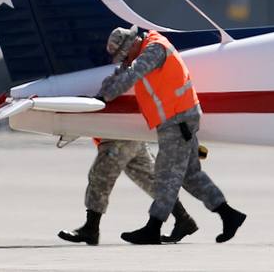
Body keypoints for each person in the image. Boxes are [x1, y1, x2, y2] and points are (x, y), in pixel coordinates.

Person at [97, 25, 247, 244]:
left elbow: (131, 75)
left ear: (131, 44)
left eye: (124, 55)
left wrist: (105, 96)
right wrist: (102, 94)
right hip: (180, 117)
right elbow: (122, 73)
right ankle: (229, 215)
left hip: (177, 119)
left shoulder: (154, 49)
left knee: (166, 175)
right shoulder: (142, 50)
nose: (125, 60)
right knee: (190, 175)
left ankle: (153, 228)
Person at [58, 139, 199, 245]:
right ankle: (183, 219)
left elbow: (108, 97)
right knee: (151, 178)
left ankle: (91, 228)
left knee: (101, 176)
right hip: (129, 132)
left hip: (117, 134)